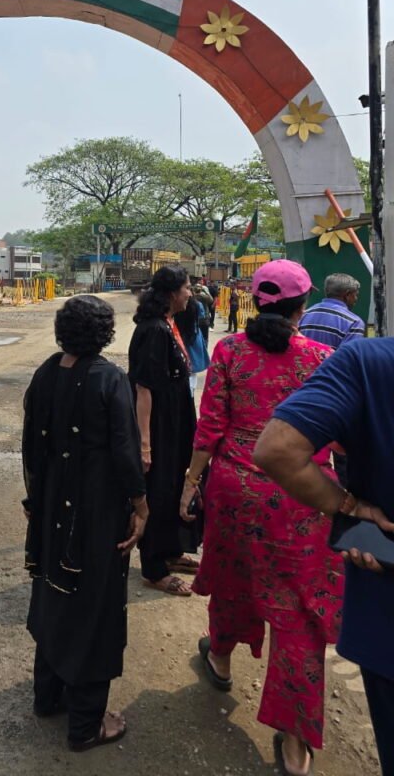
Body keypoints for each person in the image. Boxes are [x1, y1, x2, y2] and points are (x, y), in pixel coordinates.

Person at [180, 260, 342, 776]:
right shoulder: (323, 358)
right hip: (302, 497)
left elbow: (210, 426)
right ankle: (294, 749)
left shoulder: (229, 351)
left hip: (234, 488)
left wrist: (190, 483)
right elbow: (339, 438)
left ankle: (221, 660)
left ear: (254, 299)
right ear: (302, 306)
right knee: (297, 614)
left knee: (233, 578)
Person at [254, 337, 394, 776]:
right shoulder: (322, 352)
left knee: (285, 611)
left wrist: (351, 508)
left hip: (276, 500)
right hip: (305, 518)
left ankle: (221, 658)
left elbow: (275, 449)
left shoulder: (364, 362)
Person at [23, 295, 148, 751]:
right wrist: (141, 505)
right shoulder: (109, 379)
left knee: (54, 590)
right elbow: (125, 451)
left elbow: (30, 448)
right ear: (105, 333)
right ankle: (85, 726)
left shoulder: (45, 372)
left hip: (53, 503)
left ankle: (48, 697)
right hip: (96, 510)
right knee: (94, 606)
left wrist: (35, 500)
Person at [128, 265, 198, 596]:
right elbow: (144, 389)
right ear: (172, 293)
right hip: (158, 426)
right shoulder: (154, 330)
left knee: (172, 486)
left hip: (175, 419)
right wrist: (145, 443)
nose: (191, 293)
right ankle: (154, 568)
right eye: (187, 287)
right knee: (158, 489)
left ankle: (170, 551)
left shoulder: (170, 323)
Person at [298, 272, 365, 348]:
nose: (356, 299)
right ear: (347, 295)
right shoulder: (354, 323)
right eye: (355, 295)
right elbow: (348, 357)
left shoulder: (303, 315)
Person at [176, 296, 210, 391]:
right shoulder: (197, 304)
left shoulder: (175, 304)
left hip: (179, 334)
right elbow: (201, 316)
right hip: (194, 336)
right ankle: (190, 393)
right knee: (193, 369)